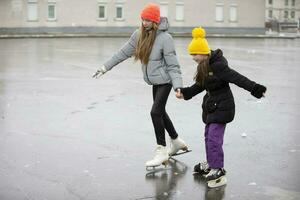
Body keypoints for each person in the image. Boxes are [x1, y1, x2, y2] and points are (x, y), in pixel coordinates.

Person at [92, 3, 188, 168]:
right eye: (143, 19)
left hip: (165, 82)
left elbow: (173, 65)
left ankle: (162, 151)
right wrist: (105, 67)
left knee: (155, 112)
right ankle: (176, 141)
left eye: (148, 20)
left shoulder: (166, 38)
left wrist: (178, 86)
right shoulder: (138, 35)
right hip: (154, 82)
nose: (144, 23)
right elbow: (122, 53)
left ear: (155, 21)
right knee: (161, 113)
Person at [176, 27, 267, 188]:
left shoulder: (218, 66)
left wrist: (255, 88)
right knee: (208, 137)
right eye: (192, 54)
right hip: (212, 107)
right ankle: (211, 163)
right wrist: (186, 93)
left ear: (204, 53)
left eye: (195, 54)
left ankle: (218, 168)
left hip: (223, 107)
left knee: (214, 139)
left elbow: (237, 78)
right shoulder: (203, 66)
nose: (193, 58)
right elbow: (199, 86)